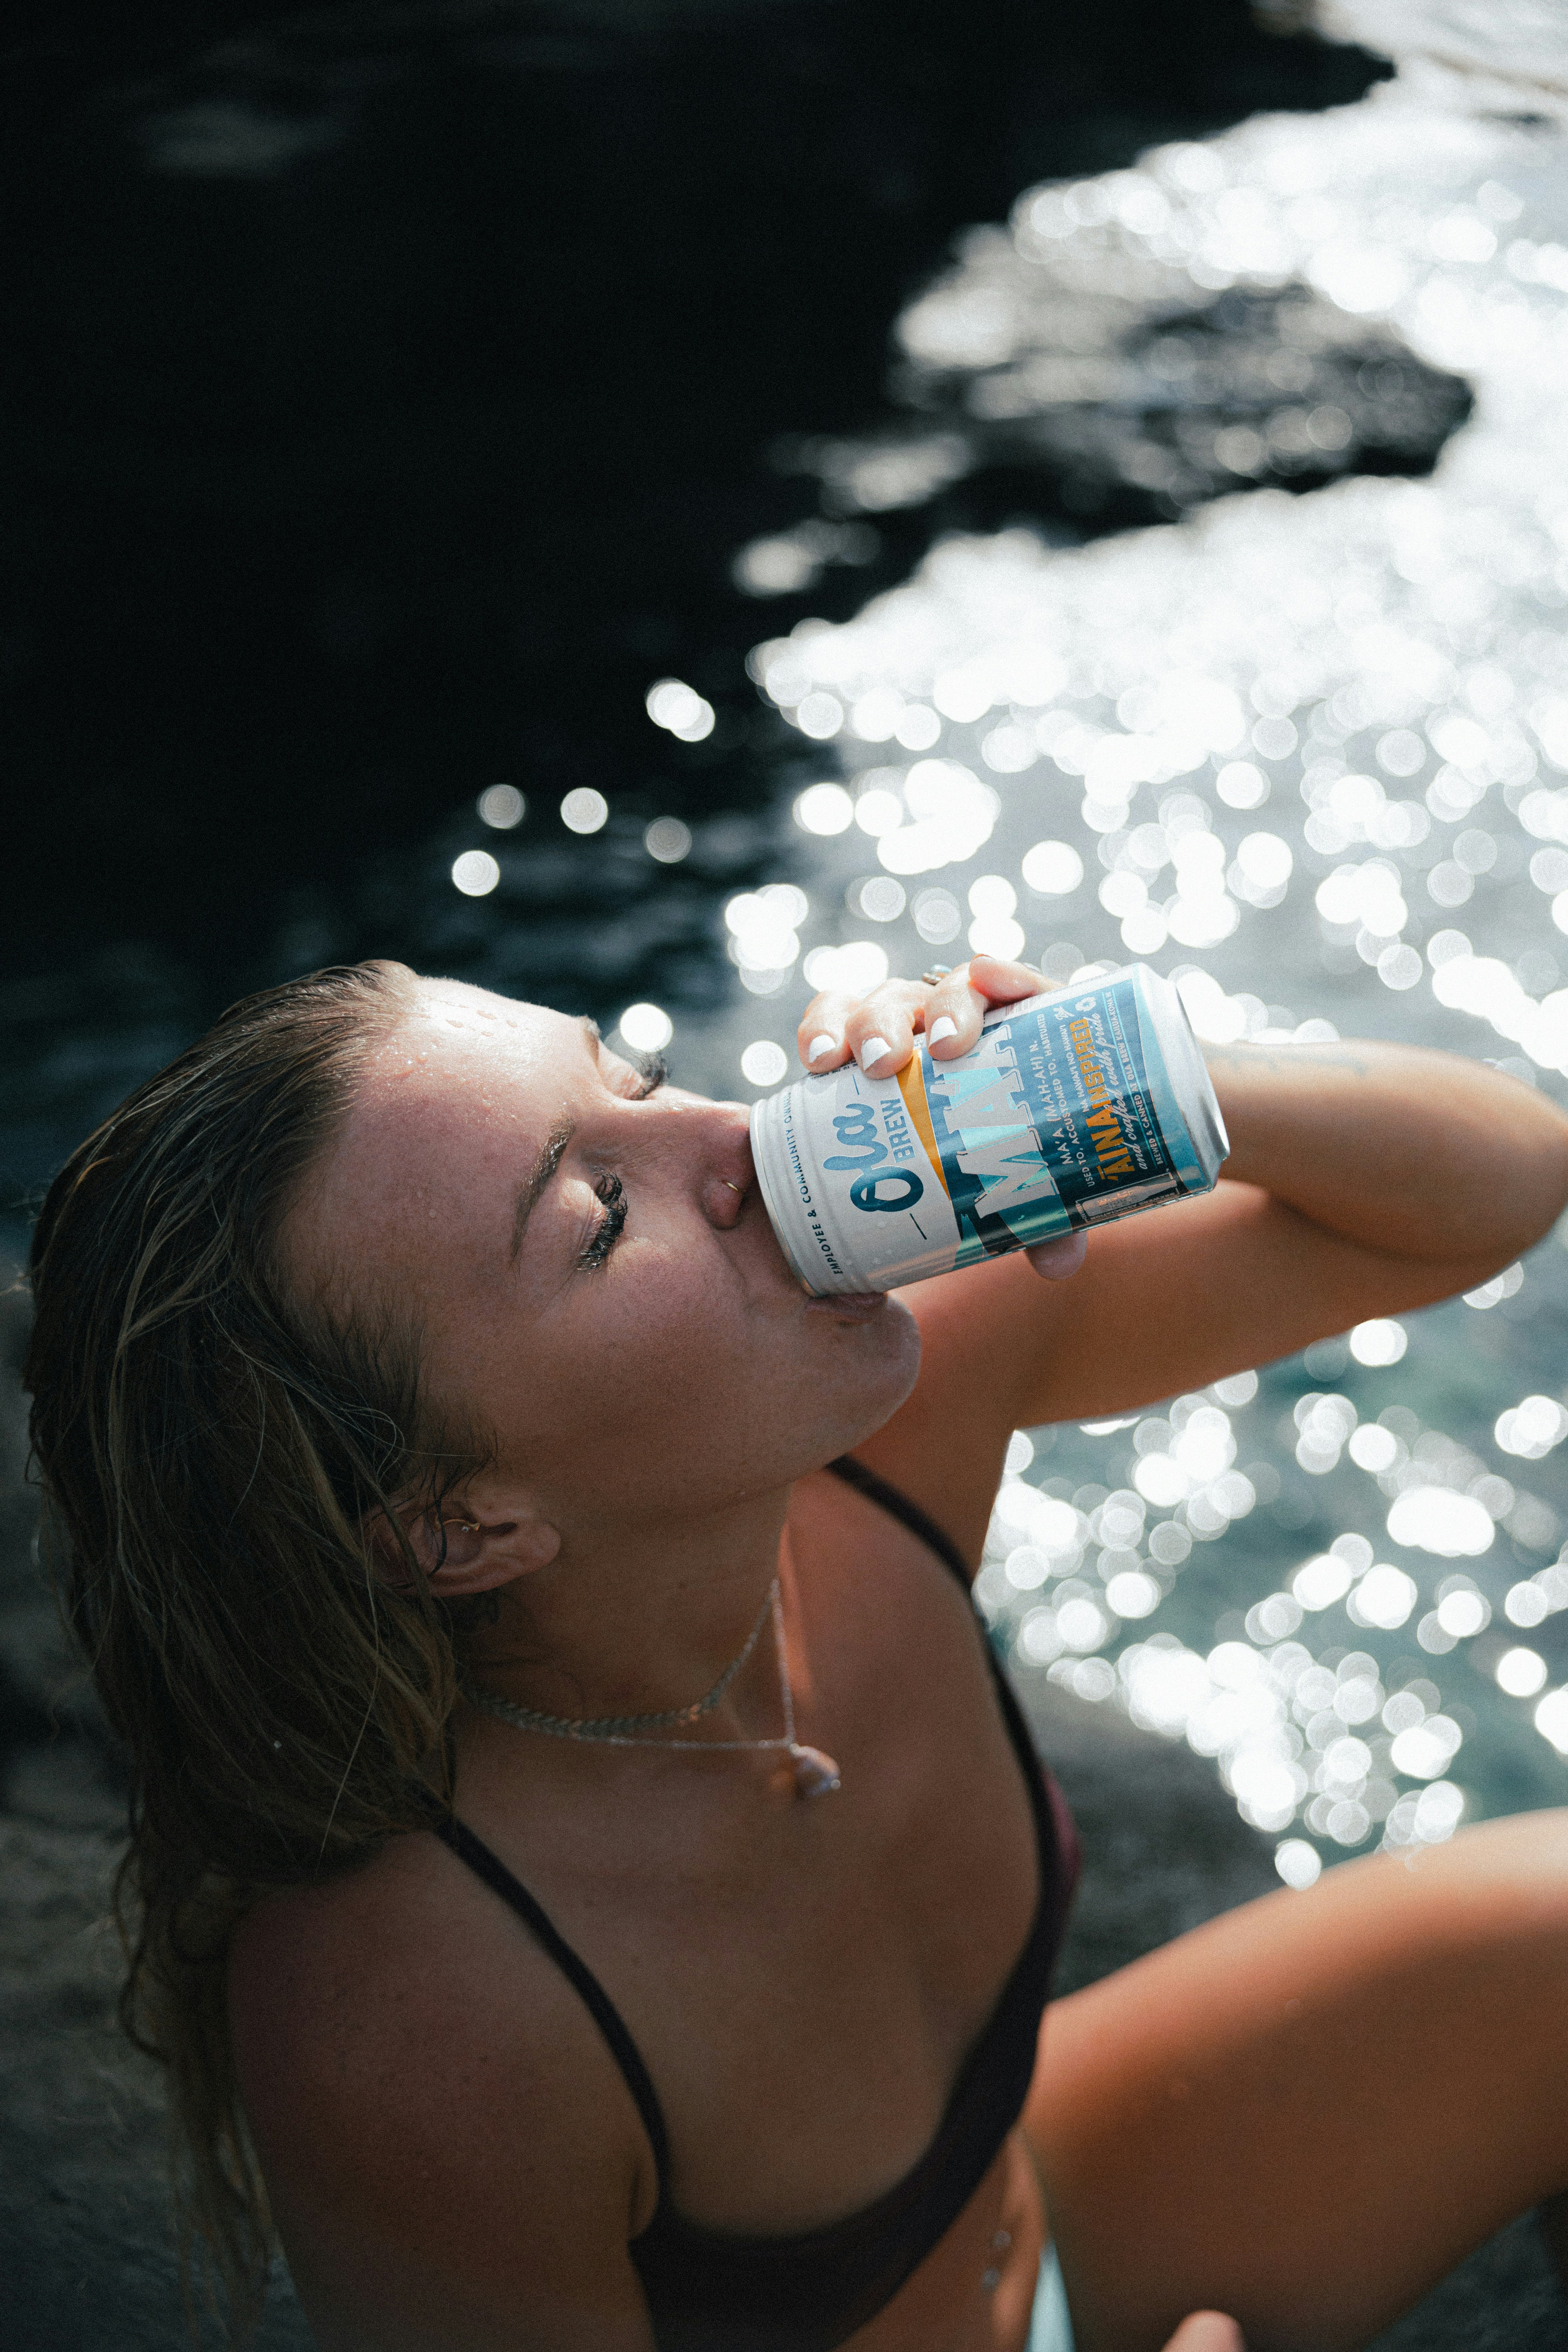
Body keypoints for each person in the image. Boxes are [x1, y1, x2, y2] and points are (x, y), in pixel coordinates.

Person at [22, 951, 1568, 2352]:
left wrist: (1121, 1072)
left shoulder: (882, 1438)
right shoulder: (421, 2013)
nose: (733, 1135)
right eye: (600, 1215)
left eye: (627, 1077)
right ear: (455, 1526)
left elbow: (1499, 1184)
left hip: (1064, 2207)